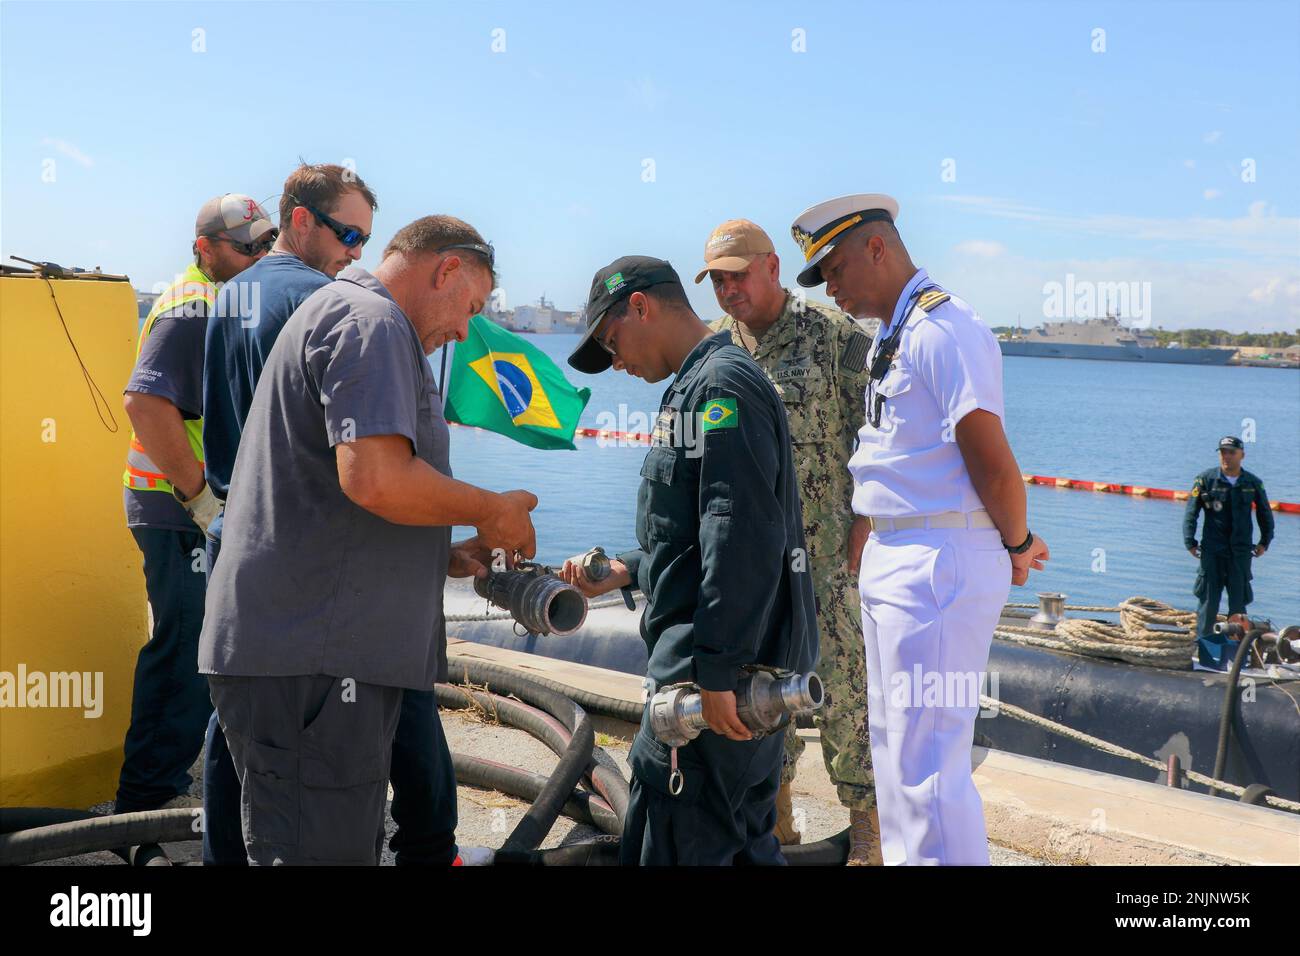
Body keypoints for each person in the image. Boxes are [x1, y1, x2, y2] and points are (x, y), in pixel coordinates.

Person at [198, 215, 538, 865]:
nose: (466, 330)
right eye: (471, 307)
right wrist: (493, 511)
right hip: (316, 668)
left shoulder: (351, 315)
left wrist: (446, 555)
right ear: (444, 270)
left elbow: (324, 493)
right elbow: (376, 479)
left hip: (304, 657)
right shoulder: (371, 322)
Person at [791, 193, 1049, 865]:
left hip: (939, 558)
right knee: (897, 751)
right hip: (899, 551)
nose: (832, 287)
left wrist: (1017, 544)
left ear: (878, 247)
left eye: (838, 268)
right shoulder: (892, 332)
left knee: (930, 763)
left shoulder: (943, 328)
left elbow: (989, 456)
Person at [561, 255, 817, 865]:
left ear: (642, 306)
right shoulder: (699, 384)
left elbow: (741, 535)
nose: (618, 364)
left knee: (683, 840)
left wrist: (720, 673)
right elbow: (696, 536)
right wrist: (628, 568)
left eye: (613, 341)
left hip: (709, 684)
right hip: (720, 669)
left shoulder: (720, 387)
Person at [696, 219, 879, 863]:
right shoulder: (717, 348)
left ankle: (867, 833)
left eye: (737, 275)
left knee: (846, 695)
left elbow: (879, 434)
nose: (727, 290)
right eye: (717, 280)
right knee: (762, 695)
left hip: (827, 560)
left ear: (773, 267)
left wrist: (867, 520)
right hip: (754, 565)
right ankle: (775, 824)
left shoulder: (834, 338)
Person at [115, 194, 274, 814]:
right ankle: (144, 801)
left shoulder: (222, 302)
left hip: (183, 508)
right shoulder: (194, 309)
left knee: (199, 651)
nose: (258, 257)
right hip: (176, 511)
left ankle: (166, 787)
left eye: (265, 244)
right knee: (183, 654)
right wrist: (202, 500)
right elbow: (145, 405)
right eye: (245, 247)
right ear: (204, 247)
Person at [1183, 436, 1273, 656]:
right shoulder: (1205, 480)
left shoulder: (1252, 482)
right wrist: (1190, 542)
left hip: (1240, 553)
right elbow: (1191, 514)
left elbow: (1265, 514)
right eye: (1223, 452)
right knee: (1208, 602)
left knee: (1238, 605)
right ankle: (1203, 650)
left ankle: (1236, 652)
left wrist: (1264, 542)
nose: (1226, 456)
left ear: (1241, 455)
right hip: (1212, 552)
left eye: (1231, 452)